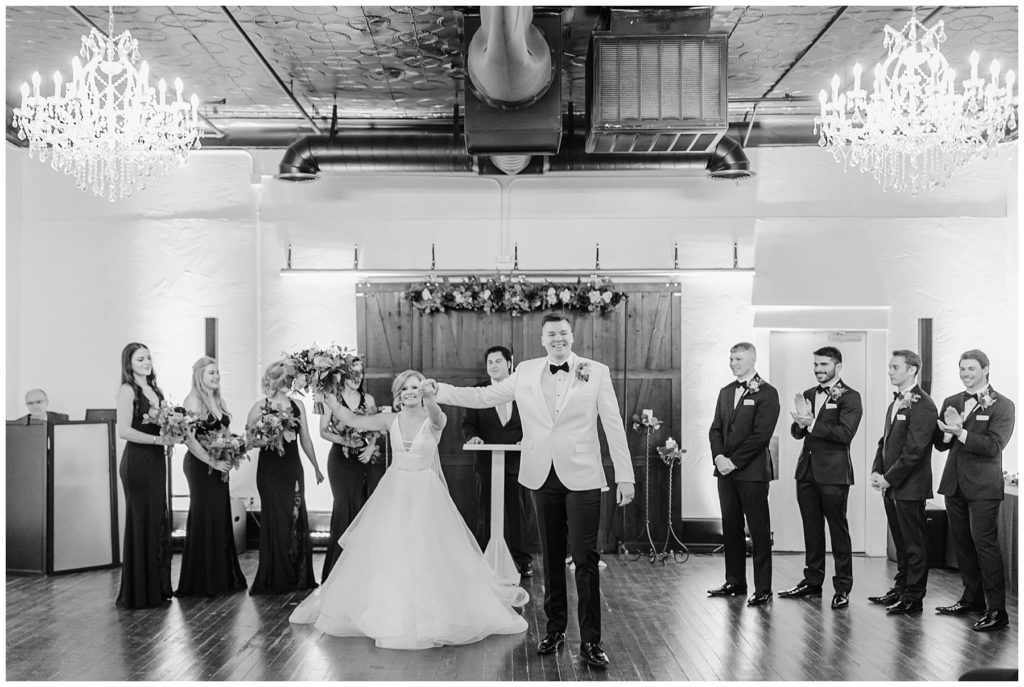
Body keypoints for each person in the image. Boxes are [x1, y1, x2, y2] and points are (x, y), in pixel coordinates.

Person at [429, 313, 635, 669]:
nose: (558, 338)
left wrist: (625, 476)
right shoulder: (524, 370)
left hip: (584, 474)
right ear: (542, 340)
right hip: (541, 474)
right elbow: (483, 396)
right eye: (551, 334)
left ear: (572, 336)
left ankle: (591, 641)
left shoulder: (595, 370)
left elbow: (613, 423)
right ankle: (554, 630)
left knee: (584, 558)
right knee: (551, 556)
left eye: (563, 333)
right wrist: (441, 391)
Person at [290, 369, 528, 649]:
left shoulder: (435, 418)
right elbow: (353, 419)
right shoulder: (391, 419)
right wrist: (328, 400)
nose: (410, 392)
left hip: (426, 493)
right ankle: (390, 612)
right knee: (392, 551)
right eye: (405, 389)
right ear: (399, 394)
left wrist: (431, 396)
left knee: (428, 550)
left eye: (415, 387)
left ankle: (429, 615)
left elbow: (438, 416)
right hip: (395, 490)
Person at [934, 349, 1016, 632]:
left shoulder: (1003, 405)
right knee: (962, 545)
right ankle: (971, 599)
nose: (965, 374)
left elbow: (994, 446)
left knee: (985, 545)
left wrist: (962, 433)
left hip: (983, 487)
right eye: (962, 369)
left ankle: (997, 610)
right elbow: (942, 444)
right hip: (954, 483)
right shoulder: (952, 401)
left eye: (971, 369)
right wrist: (947, 432)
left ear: (985, 369)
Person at [780, 346, 862, 610]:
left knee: (838, 530)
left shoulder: (851, 397)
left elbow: (844, 434)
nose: (818, 370)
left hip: (834, 474)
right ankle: (812, 582)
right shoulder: (808, 394)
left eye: (824, 365)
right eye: (815, 364)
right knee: (811, 529)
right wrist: (800, 423)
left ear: (838, 366)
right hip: (806, 472)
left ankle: (842, 587)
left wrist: (812, 423)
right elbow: (797, 433)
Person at [707, 341, 780, 607]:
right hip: (724, 473)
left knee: (759, 531)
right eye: (731, 359)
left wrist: (734, 461)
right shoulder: (726, 392)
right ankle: (735, 581)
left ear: (752, 359)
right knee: (731, 527)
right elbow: (715, 429)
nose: (733, 363)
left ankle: (763, 588)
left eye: (738, 359)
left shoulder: (767, 393)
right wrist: (718, 458)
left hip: (752, 473)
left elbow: (761, 435)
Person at [868, 349, 937, 615]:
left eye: (894, 367)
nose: (890, 371)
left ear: (911, 370)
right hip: (892, 485)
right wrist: (877, 470)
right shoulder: (896, 402)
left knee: (914, 543)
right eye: (889, 367)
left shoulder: (923, 404)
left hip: (911, 485)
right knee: (900, 541)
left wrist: (889, 478)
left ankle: (914, 596)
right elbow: (884, 441)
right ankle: (900, 588)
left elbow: (915, 451)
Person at [248, 360, 324, 595]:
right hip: (270, 469)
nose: (286, 383)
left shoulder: (297, 404)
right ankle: (275, 575)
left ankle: (296, 574)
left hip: (292, 467)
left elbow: (306, 439)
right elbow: (249, 440)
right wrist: (267, 437)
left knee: (295, 514)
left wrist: (316, 467)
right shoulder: (260, 406)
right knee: (275, 518)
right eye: (282, 378)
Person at [175, 356, 247, 597]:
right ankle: (202, 581)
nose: (216, 377)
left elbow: (223, 432)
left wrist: (232, 446)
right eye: (211, 373)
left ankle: (221, 576)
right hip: (200, 466)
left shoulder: (218, 399)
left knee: (219, 516)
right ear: (199, 376)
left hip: (218, 465)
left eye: (217, 373)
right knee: (204, 517)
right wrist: (212, 461)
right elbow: (189, 439)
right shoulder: (192, 400)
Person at [462, 345, 533, 577]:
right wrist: (472, 437)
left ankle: (522, 560)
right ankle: (485, 559)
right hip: (486, 462)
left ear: (509, 363)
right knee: (485, 511)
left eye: (498, 361)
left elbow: (533, 422)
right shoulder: (478, 391)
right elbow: (468, 423)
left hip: (517, 462)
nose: (493, 365)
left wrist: (528, 439)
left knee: (518, 512)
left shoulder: (523, 390)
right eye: (489, 362)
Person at [114, 342, 176, 609]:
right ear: (129, 364)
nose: (146, 362)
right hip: (137, 463)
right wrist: (157, 441)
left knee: (156, 520)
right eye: (140, 359)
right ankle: (138, 592)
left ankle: (155, 588)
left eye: (149, 358)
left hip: (156, 463)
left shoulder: (156, 390)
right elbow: (124, 431)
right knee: (140, 523)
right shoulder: (128, 390)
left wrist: (171, 437)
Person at [320, 356, 381, 581]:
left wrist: (371, 445)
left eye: (360, 372)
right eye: (352, 372)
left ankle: (360, 573)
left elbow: (376, 427)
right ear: (343, 375)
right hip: (341, 461)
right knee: (343, 508)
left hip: (363, 461)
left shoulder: (369, 399)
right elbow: (323, 431)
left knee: (361, 508)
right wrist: (346, 441)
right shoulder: (333, 398)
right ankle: (335, 572)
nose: (357, 377)